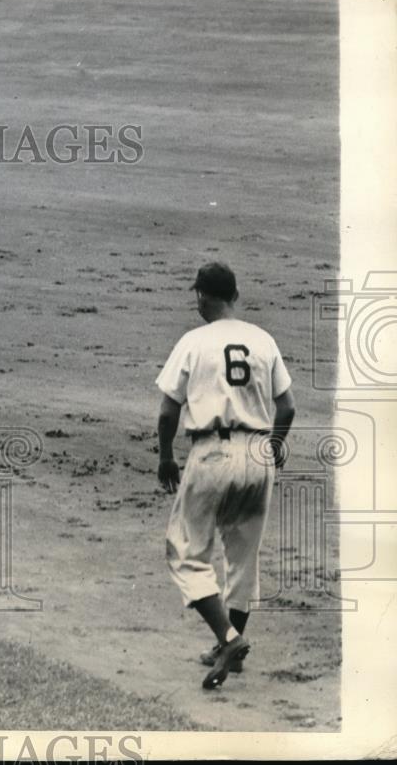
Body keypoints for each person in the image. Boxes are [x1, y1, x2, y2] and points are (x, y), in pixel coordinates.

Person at [155, 262, 296, 690]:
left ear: (202, 297)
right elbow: (287, 407)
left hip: (212, 452)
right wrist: (271, 446)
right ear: (235, 295)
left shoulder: (193, 341)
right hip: (258, 452)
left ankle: (229, 639)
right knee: (243, 557)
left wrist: (165, 457)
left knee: (185, 551)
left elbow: (167, 413)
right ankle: (227, 651)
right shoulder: (262, 339)